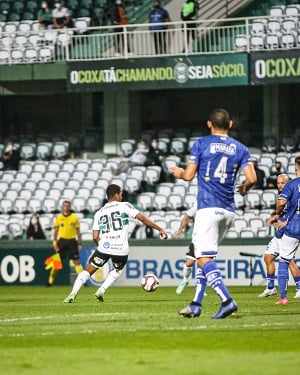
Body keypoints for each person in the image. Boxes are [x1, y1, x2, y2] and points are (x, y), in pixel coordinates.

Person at [169, 108, 257, 319]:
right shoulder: (241, 148)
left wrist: (178, 172)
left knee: (202, 257)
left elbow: (189, 175)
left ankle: (227, 301)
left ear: (209, 124)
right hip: (228, 210)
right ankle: (196, 304)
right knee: (204, 257)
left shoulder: (201, 143)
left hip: (208, 208)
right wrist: (244, 188)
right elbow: (252, 178)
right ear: (231, 124)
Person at [63, 184, 168, 303]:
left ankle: (72, 294)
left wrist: (103, 246)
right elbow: (142, 218)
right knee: (117, 270)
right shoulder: (124, 206)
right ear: (117, 194)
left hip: (104, 248)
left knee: (87, 271)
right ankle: (101, 290)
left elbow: (95, 236)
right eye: (121, 194)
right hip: (121, 249)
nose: (122, 196)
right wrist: (160, 229)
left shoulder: (99, 212)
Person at [258, 173, 300, 298]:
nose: (280, 185)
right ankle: (271, 287)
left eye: (283, 183)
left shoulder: (291, 192)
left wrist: (284, 221)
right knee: (268, 257)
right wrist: (276, 217)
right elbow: (285, 212)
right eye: (278, 183)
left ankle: (298, 287)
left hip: (287, 231)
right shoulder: (283, 194)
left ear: (288, 183)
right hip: (280, 233)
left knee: (288, 261)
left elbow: (292, 212)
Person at [273, 156, 300, 304]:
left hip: (295, 225)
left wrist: (278, 212)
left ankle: (283, 297)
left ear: (296, 168)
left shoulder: (292, 184)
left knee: (284, 260)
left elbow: (282, 202)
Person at [47, 200, 82, 286]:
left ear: (70, 207)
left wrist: (79, 243)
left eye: (67, 206)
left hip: (72, 241)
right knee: (57, 262)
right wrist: (54, 242)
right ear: (62, 207)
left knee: (76, 261)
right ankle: (50, 281)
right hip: (62, 241)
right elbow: (55, 231)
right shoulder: (59, 218)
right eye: (64, 206)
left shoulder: (74, 217)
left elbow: (78, 232)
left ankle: (82, 281)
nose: (66, 207)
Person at [174, 200, 197, 294]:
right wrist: (180, 230)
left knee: (204, 262)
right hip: (197, 239)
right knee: (189, 262)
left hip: (209, 239)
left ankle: (201, 286)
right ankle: (185, 280)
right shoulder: (199, 202)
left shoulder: (217, 203)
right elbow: (187, 216)